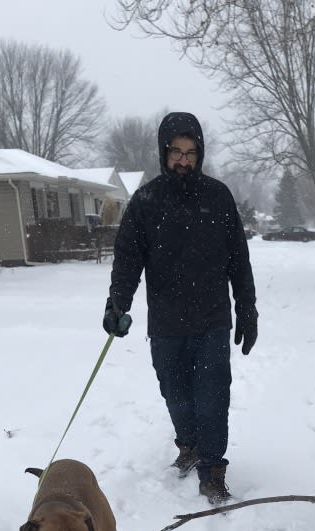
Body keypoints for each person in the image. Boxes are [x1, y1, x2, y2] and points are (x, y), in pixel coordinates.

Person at [102, 111, 258, 504]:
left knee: (212, 394)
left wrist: (248, 307)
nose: (184, 160)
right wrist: (116, 303)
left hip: (212, 320)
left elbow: (238, 258)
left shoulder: (218, 197)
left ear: (200, 154)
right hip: (167, 321)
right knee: (175, 394)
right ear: (164, 152)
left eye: (191, 152)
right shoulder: (146, 201)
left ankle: (212, 468)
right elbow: (127, 260)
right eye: (176, 152)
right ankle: (188, 444)